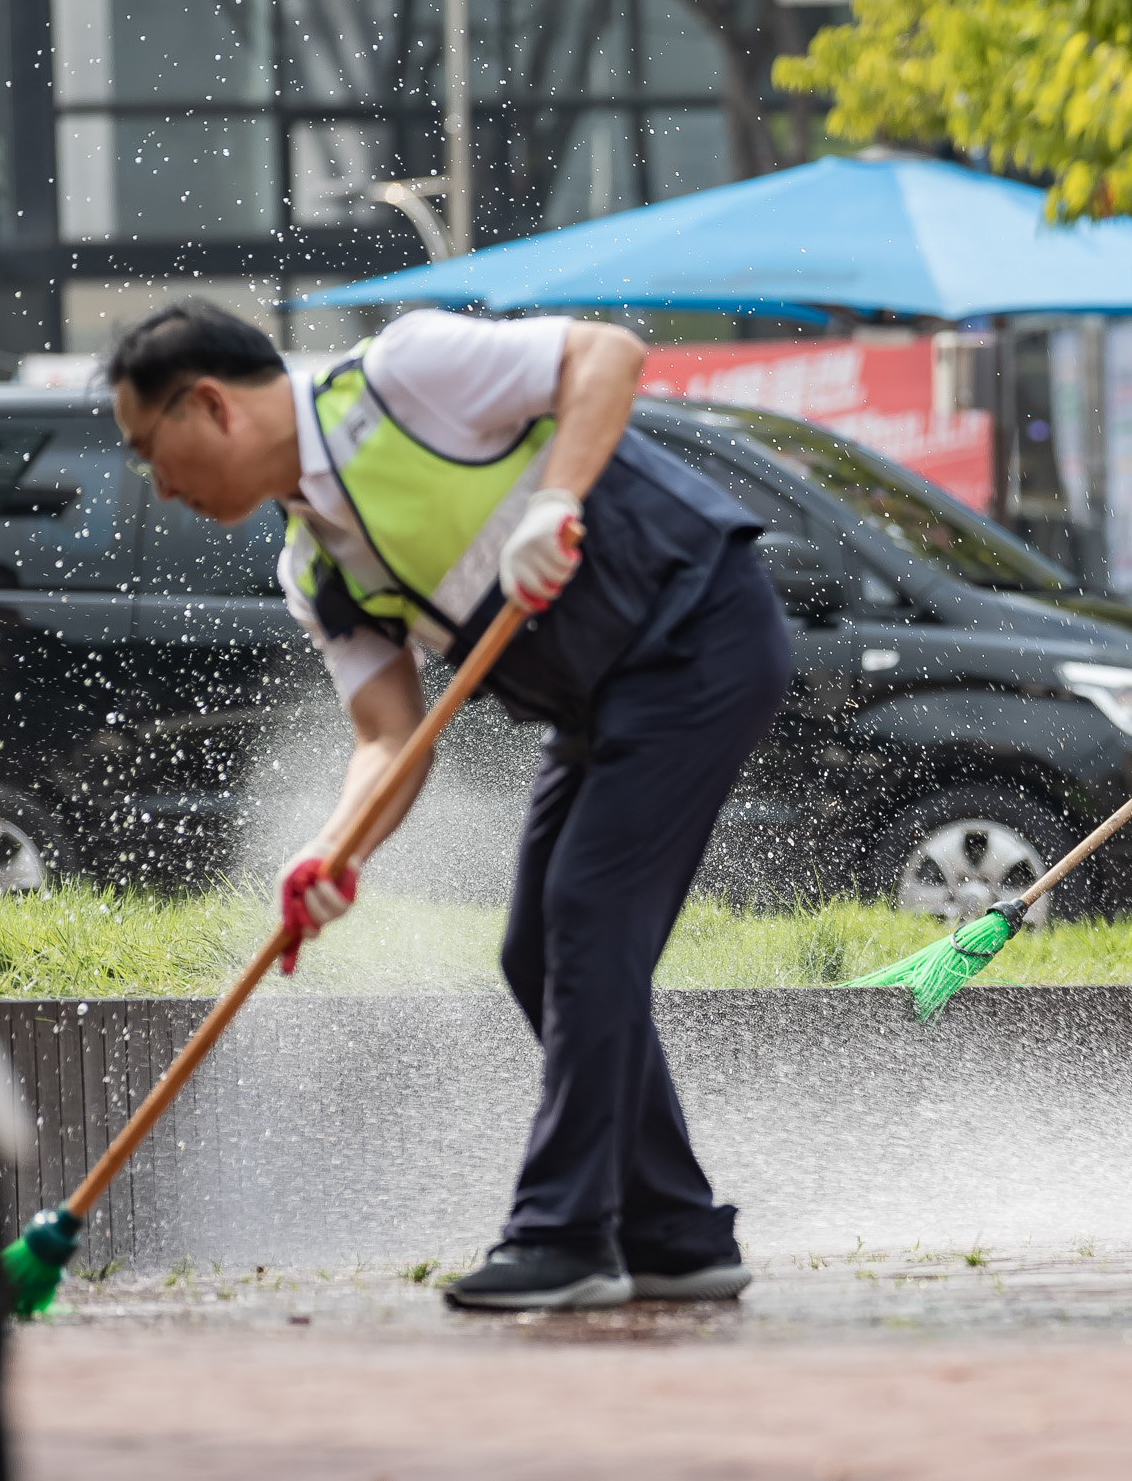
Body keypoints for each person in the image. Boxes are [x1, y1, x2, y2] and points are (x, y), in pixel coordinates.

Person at [105, 300, 789, 1307]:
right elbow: (387, 734)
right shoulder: (314, 567)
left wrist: (554, 504)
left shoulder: (405, 374)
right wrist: (333, 849)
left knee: (589, 917)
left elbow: (608, 354)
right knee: (535, 951)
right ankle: (676, 1233)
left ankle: (564, 1235)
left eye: (148, 448)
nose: (157, 486)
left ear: (210, 405)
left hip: (699, 632)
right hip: (599, 702)